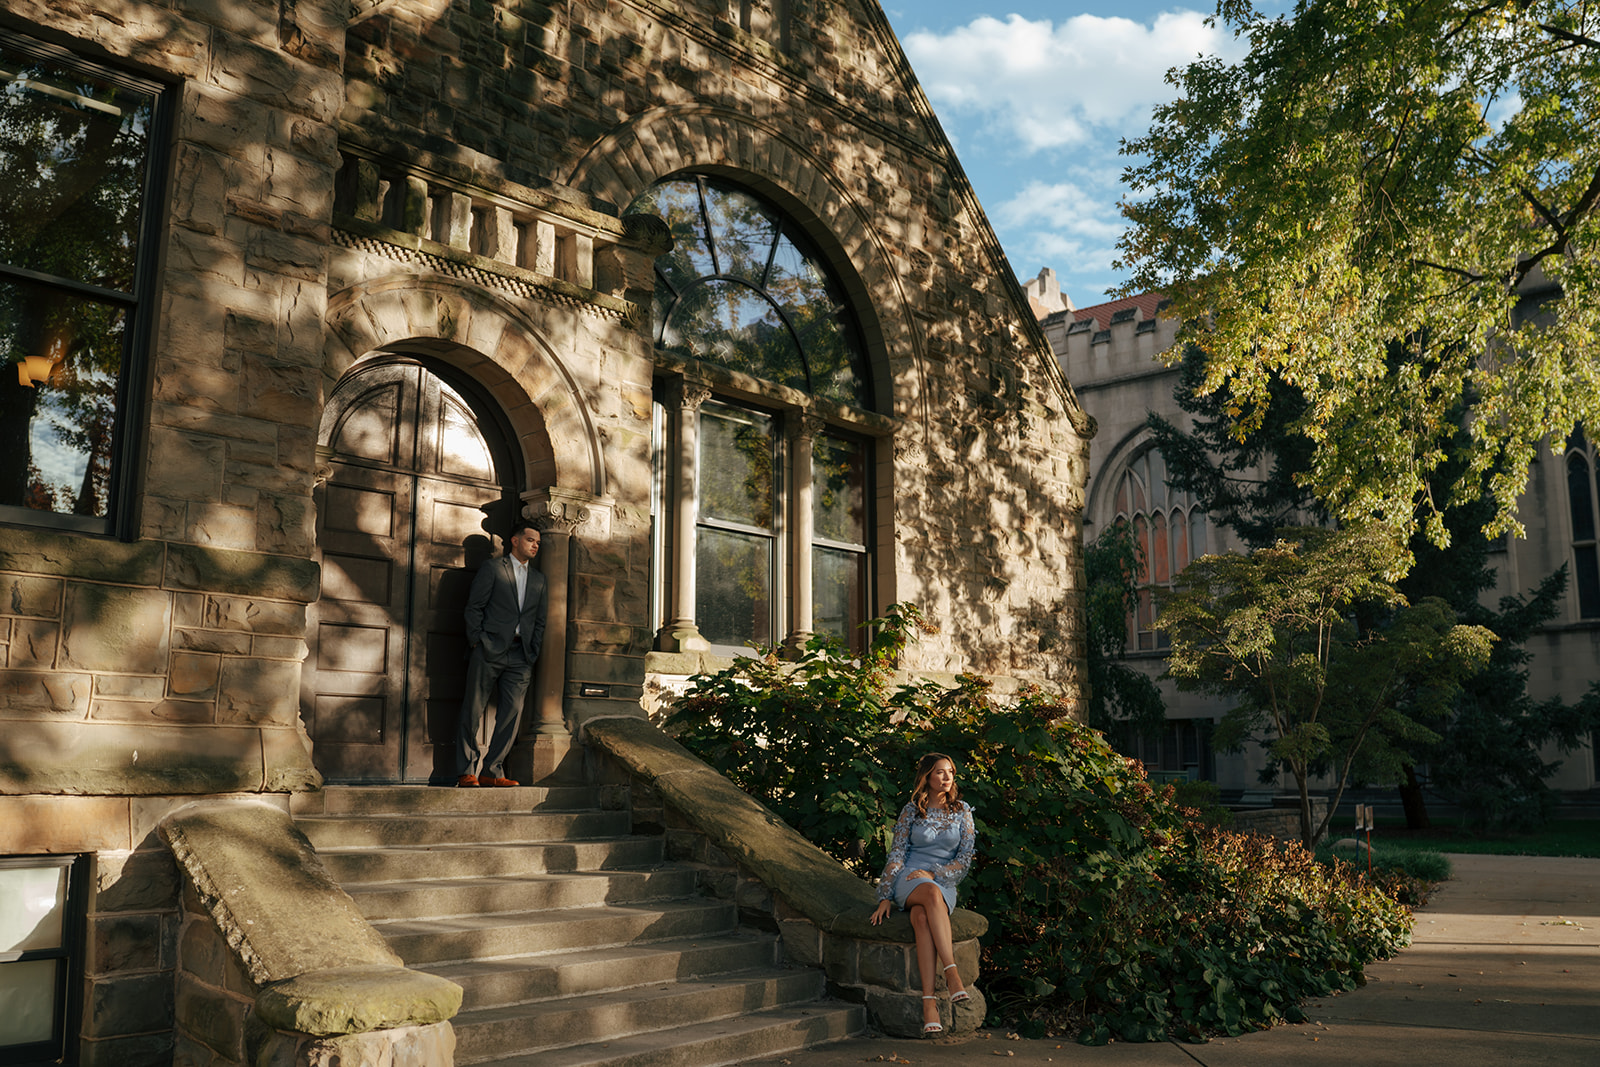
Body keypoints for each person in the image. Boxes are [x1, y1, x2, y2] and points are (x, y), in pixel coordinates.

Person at [870, 752, 976, 1036]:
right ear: (927, 777)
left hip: (943, 880)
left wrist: (936, 874)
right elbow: (897, 854)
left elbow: (964, 858)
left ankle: (929, 1002)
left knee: (920, 918)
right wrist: (885, 895)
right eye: (940, 772)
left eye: (950, 772)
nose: (946, 777)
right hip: (910, 877)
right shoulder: (911, 811)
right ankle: (952, 973)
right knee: (928, 895)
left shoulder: (962, 810)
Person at [456, 520, 547, 787]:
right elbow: (474, 607)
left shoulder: (539, 579)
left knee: (512, 713)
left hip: (521, 655)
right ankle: (466, 770)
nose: (535, 546)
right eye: (531, 540)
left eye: (538, 543)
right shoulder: (493, 569)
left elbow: (539, 620)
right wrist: (477, 641)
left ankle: (492, 771)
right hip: (489, 650)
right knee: (472, 711)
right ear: (515, 540)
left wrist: (533, 649)